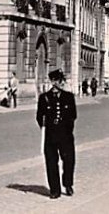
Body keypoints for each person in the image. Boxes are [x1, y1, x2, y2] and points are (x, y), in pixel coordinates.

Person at [36, 69, 77, 199]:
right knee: (51, 163)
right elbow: (39, 116)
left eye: (59, 81)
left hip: (66, 136)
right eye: (54, 81)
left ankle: (68, 183)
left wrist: (66, 128)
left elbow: (73, 115)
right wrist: (47, 126)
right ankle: (55, 190)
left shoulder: (69, 97)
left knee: (69, 161)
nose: (57, 84)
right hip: (51, 136)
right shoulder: (44, 98)